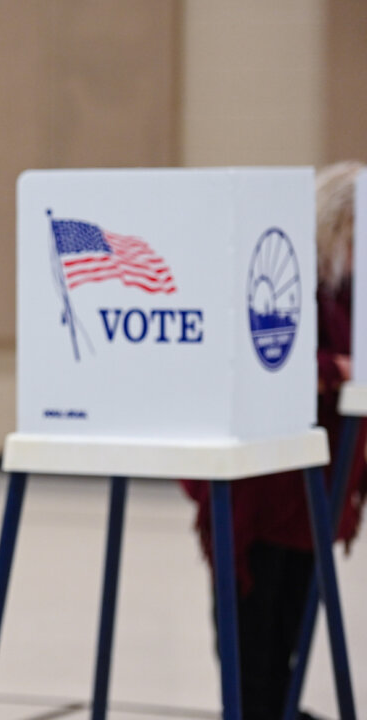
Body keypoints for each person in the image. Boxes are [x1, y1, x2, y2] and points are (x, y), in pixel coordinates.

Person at [181, 160, 367, 720]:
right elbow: (268, 358)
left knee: (287, 635)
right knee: (252, 640)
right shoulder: (289, 278)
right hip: (263, 493)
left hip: (314, 498)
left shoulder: (347, 295)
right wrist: (337, 369)